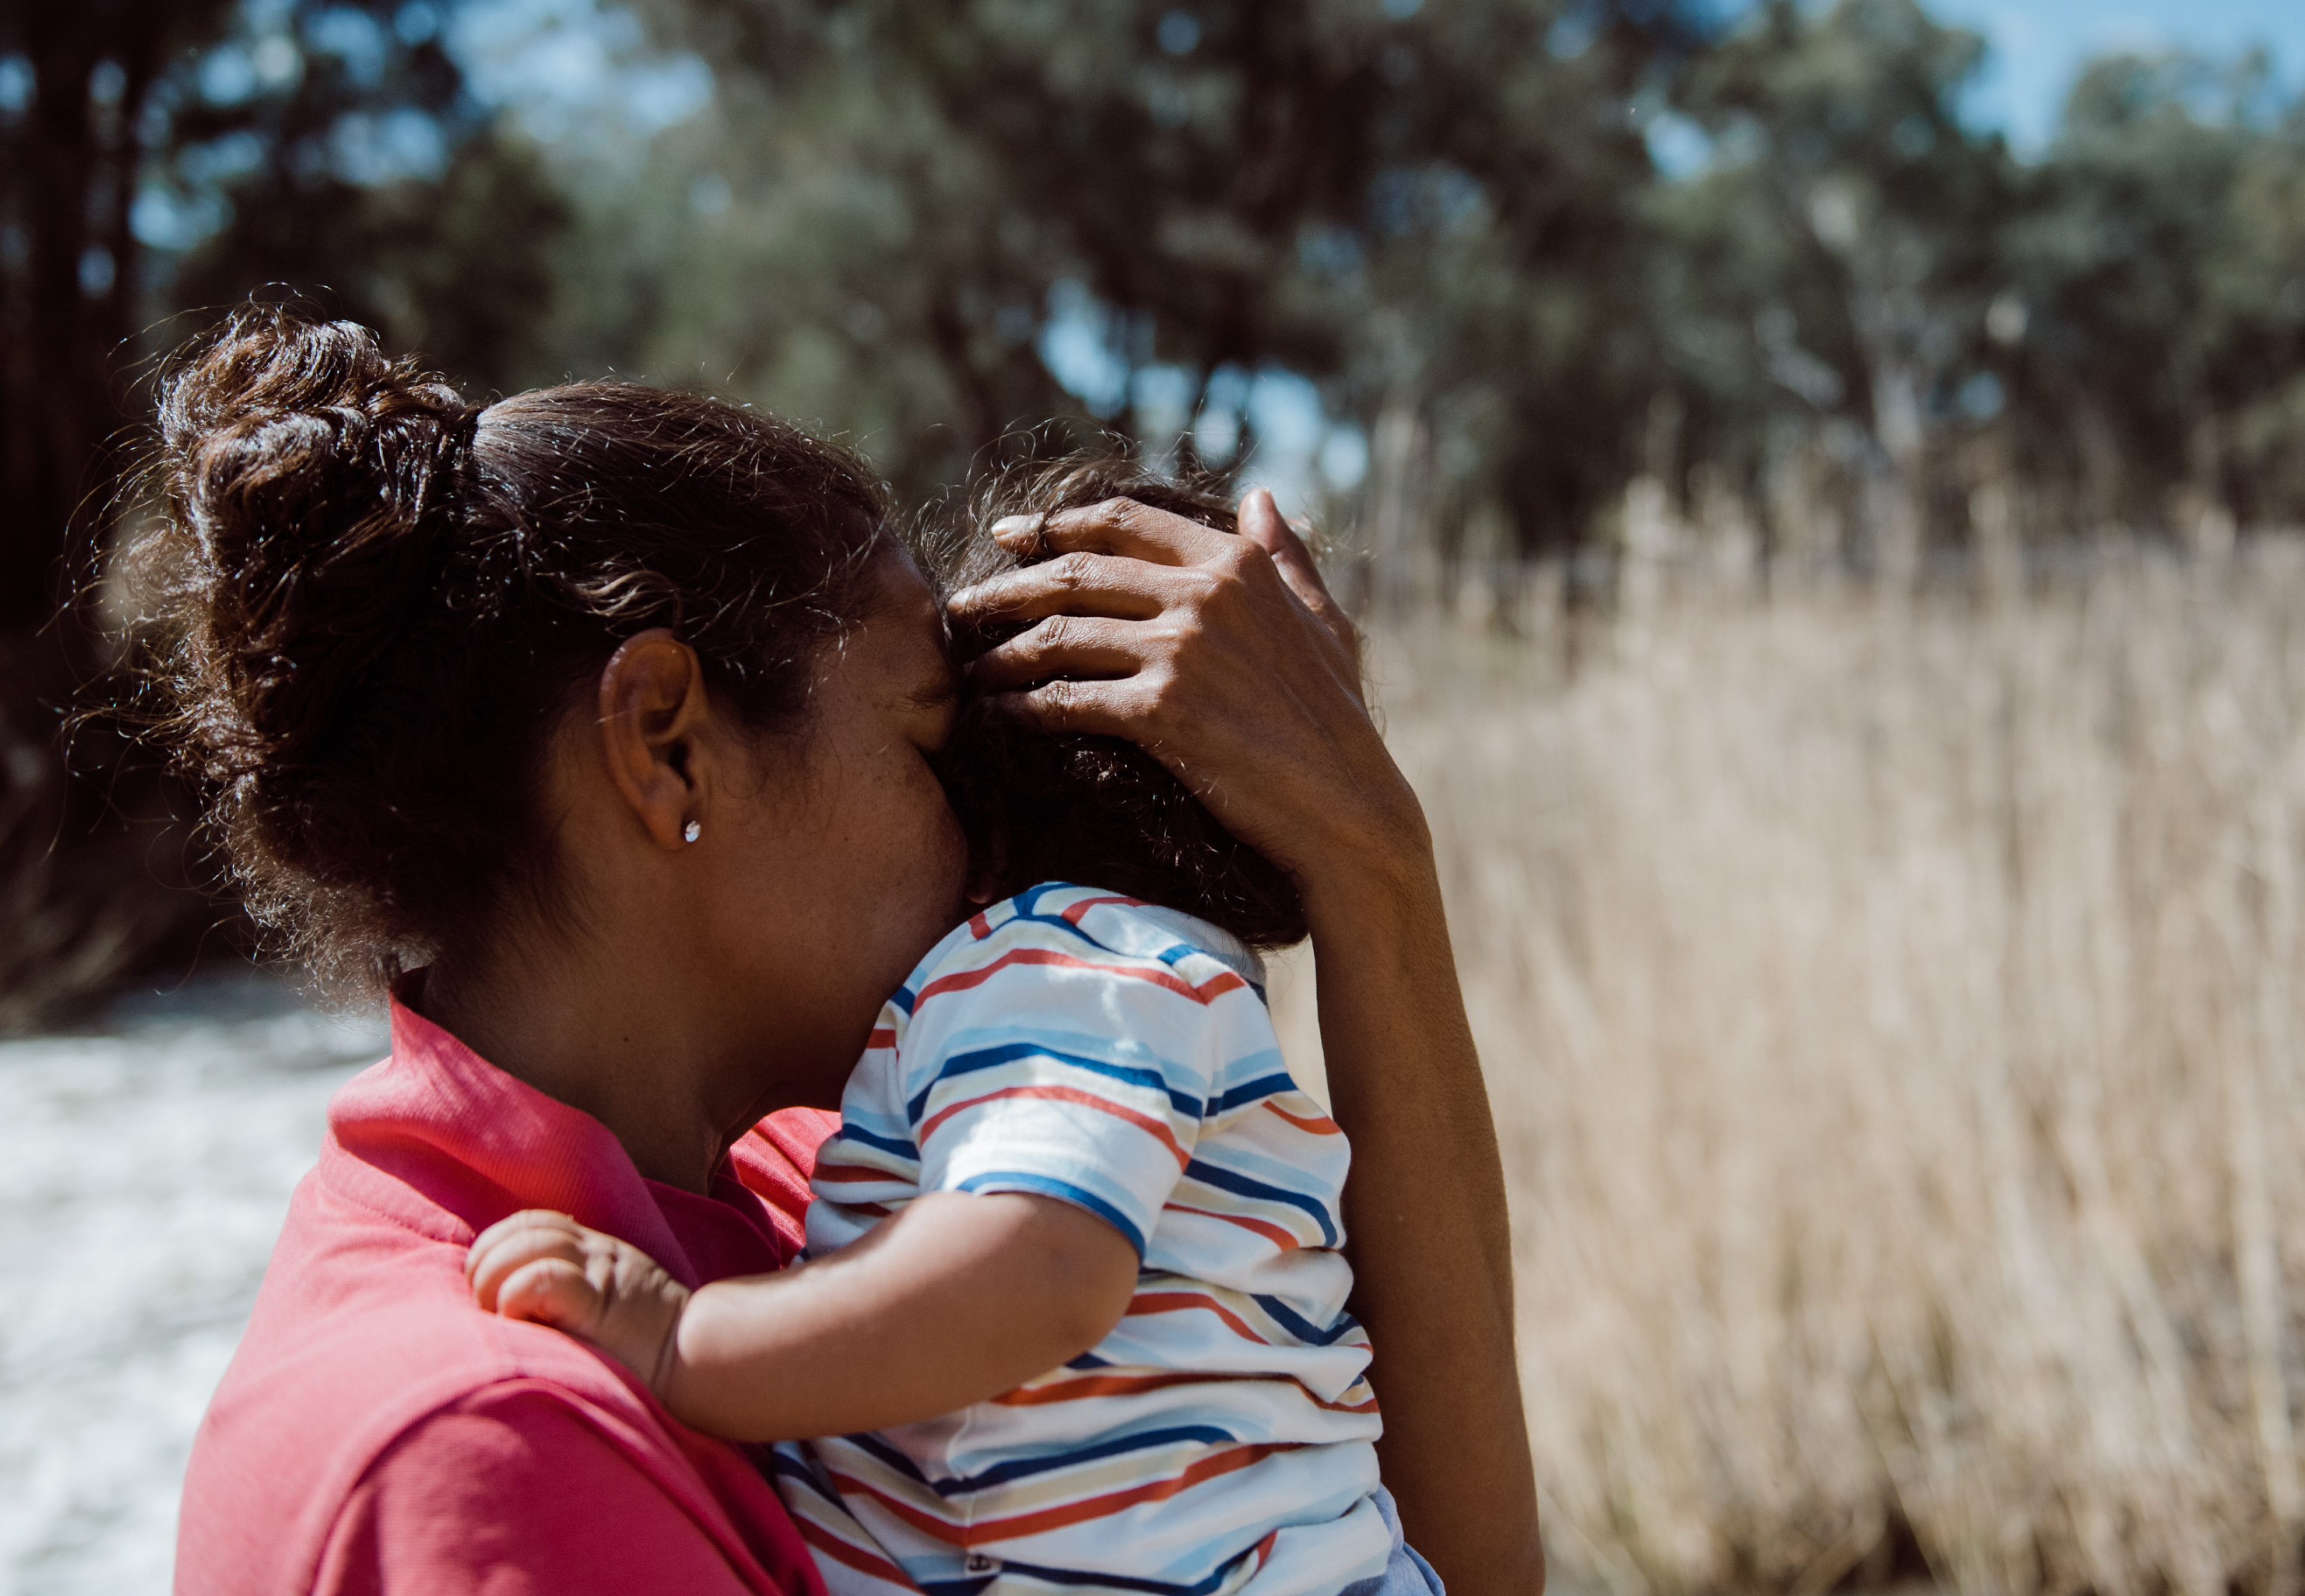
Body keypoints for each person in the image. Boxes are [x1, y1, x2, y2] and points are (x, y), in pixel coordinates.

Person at [151, 303, 1538, 1596]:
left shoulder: (803, 1192)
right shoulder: (493, 1456)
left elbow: (1416, 1549)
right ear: (667, 744)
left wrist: (1370, 858)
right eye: (931, 739)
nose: (995, 820)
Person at [468, 465, 1431, 1596]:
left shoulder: (1062, 962)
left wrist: (688, 1347)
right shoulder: (1157, 983)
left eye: (937, 743)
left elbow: (1041, 1265)